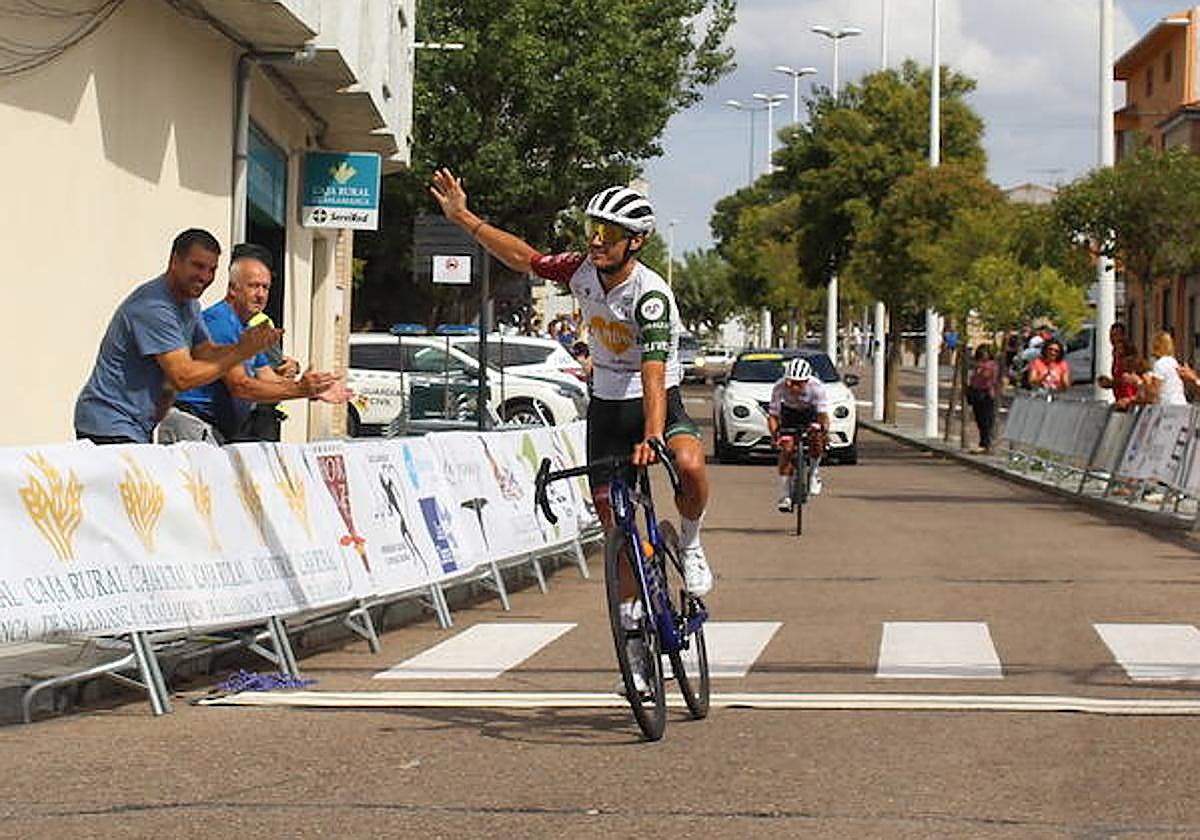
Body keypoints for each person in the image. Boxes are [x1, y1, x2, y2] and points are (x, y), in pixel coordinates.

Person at [430, 168, 712, 692]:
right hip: (607, 407)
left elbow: (653, 373)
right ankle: (635, 643)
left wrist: (653, 436)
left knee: (691, 466)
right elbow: (523, 257)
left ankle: (691, 544)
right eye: (592, 229)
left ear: (636, 242)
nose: (596, 240)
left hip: (657, 400)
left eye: (608, 233)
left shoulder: (651, 296)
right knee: (617, 528)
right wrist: (463, 216)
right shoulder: (581, 269)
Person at [74, 229, 281, 445]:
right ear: (174, 261)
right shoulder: (154, 306)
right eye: (197, 266)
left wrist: (244, 348)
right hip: (109, 422)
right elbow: (183, 377)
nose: (205, 276)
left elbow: (206, 352)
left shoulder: (190, 305)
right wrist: (241, 352)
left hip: (136, 426)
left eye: (211, 270)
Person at [159, 249, 352, 444]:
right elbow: (240, 386)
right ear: (233, 289)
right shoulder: (220, 323)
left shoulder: (248, 331)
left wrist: (313, 389)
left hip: (213, 429)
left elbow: (268, 378)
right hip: (192, 424)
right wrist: (300, 389)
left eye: (265, 287)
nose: (260, 294)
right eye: (253, 286)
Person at [767, 357, 831, 511]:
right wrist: (775, 436)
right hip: (789, 414)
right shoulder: (780, 386)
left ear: (807, 381)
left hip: (810, 413)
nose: (794, 387)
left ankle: (813, 472)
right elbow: (773, 416)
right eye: (791, 382)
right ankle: (784, 495)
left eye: (799, 383)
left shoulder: (817, 388)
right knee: (787, 448)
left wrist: (824, 432)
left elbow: (823, 416)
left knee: (816, 437)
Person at [1144, 330, 1198, 406]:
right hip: (1181, 404)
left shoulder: (1160, 364)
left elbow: (1154, 392)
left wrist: (1146, 382)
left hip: (1168, 406)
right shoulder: (1174, 362)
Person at [967, 345, 1001, 453]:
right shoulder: (978, 365)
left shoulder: (991, 365)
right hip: (976, 392)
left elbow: (987, 376)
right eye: (981, 354)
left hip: (986, 393)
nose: (983, 356)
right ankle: (983, 442)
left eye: (985, 353)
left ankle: (986, 443)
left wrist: (981, 368)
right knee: (979, 418)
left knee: (986, 419)